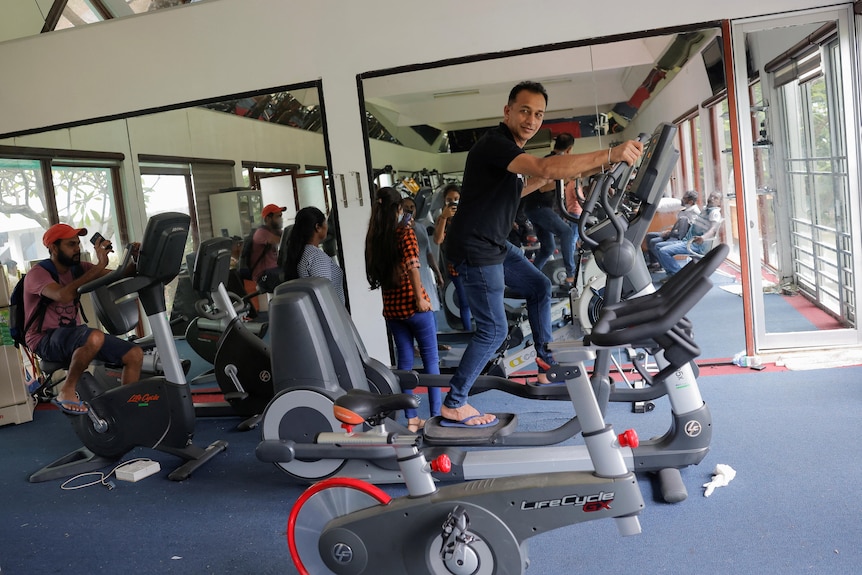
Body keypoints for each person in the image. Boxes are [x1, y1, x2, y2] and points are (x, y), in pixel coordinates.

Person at [441, 80, 643, 427]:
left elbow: (529, 185)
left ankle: (546, 357)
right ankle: (455, 402)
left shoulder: (507, 153)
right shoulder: (495, 144)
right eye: (524, 110)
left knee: (539, 286)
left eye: (538, 114)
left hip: (494, 243)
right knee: (493, 331)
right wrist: (609, 154)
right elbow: (546, 170)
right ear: (507, 111)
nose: (531, 119)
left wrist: (592, 168)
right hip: (475, 248)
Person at [23, 224, 144, 415]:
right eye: (71, 244)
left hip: (74, 336)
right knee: (94, 336)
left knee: (134, 354)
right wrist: (98, 266)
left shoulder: (79, 269)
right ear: (53, 248)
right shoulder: (37, 274)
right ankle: (67, 391)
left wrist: (137, 258)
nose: (77, 248)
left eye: (78, 244)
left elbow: (122, 274)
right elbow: (63, 295)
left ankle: (125, 412)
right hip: (43, 340)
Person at [365, 187, 442, 431]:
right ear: (398, 209)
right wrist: (420, 298)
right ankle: (436, 416)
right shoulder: (404, 232)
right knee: (431, 360)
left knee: (405, 364)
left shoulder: (376, 236)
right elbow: (413, 266)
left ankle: (412, 419)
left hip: (392, 309)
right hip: (413, 305)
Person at [523, 132, 577, 285]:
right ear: (569, 149)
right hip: (538, 207)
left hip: (536, 208)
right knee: (566, 232)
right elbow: (543, 188)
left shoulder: (550, 160)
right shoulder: (552, 162)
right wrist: (567, 178)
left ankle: (530, 277)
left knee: (548, 248)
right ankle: (570, 275)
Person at [401, 196, 451, 352]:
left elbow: (429, 254)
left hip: (426, 275)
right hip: (411, 275)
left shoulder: (421, 228)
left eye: (412, 207)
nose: (410, 209)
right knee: (415, 311)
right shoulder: (399, 230)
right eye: (406, 207)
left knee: (433, 309)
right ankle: (416, 346)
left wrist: (438, 273)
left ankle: (433, 343)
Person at [282, 206, 346, 305]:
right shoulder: (316, 257)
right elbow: (325, 297)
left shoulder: (302, 253)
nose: (327, 226)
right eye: (325, 222)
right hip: (330, 316)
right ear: (318, 227)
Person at [432, 184, 472, 333]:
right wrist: (444, 217)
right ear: (444, 201)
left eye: (456, 199)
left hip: (472, 262)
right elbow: (438, 240)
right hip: (454, 265)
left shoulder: (467, 214)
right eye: (450, 199)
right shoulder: (442, 218)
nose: (453, 202)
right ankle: (468, 331)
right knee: (463, 300)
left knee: (479, 300)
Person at [655, 191, 723, 276]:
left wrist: (703, 237)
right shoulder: (705, 209)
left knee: (663, 251)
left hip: (696, 244)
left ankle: (678, 275)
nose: (711, 199)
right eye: (711, 196)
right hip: (687, 241)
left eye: (715, 198)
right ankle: (670, 272)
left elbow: (713, 230)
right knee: (658, 246)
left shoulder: (714, 213)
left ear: (719, 203)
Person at [645, 190, 701, 271]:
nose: (682, 200)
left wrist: (670, 233)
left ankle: (661, 264)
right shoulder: (685, 210)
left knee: (654, 242)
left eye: (684, 199)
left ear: (691, 201)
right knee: (649, 235)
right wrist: (670, 231)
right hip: (674, 233)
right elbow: (680, 226)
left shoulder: (694, 214)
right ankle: (654, 263)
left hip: (679, 237)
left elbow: (688, 232)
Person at [249, 203, 285, 290]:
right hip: (264, 275)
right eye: (278, 217)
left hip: (273, 271)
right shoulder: (262, 232)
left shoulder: (274, 231)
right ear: (268, 219)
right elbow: (284, 240)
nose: (281, 219)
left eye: (281, 216)